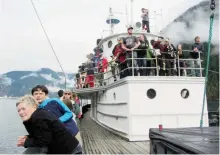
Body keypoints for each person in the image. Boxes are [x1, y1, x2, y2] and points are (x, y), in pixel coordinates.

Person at [16, 95, 82, 154]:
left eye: (23, 109)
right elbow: (44, 133)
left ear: (33, 106)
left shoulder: (38, 117)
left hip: (71, 151)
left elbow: (45, 140)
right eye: (18, 110)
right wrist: (29, 137)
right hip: (70, 148)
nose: (21, 112)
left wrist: (26, 142)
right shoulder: (39, 114)